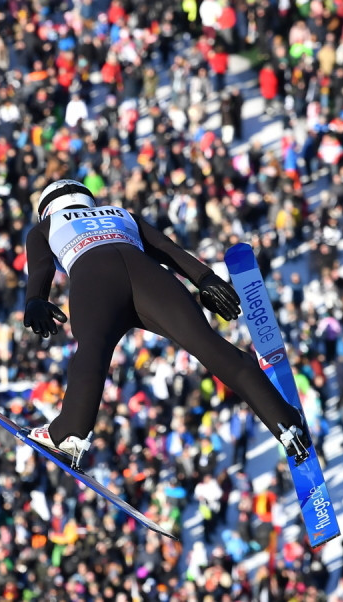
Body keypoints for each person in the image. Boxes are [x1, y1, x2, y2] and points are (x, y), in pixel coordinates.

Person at [21, 179, 310, 466]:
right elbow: (167, 249)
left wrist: (35, 298)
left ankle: (71, 432)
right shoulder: (121, 213)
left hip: (93, 277)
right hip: (150, 277)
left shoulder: (44, 227)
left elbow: (41, 268)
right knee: (209, 345)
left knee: (91, 352)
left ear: (47, 209)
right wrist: (204, 278)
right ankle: (285, 422)